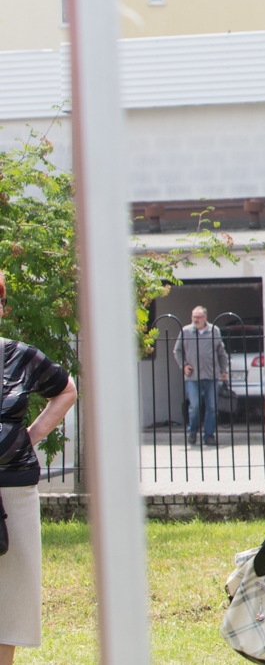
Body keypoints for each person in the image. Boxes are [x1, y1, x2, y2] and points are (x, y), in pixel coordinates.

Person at [0, 268, 78, 665]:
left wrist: (28, 436)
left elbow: (66, 390)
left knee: (11, 599)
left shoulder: (19, 355)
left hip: (14, 488)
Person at [174, 304, 227, 445]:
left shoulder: (214, 331)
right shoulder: (186, 331)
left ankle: (209, 435)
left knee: (211, 407)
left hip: (211, 375)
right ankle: (193, 431)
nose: (196, 320)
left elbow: (221, 352)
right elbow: (177, 351)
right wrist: (184, 365)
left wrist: (224, 370)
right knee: (195, 406)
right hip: (193, 376)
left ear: (205, 318)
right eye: (194, 317)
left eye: (198, 317)